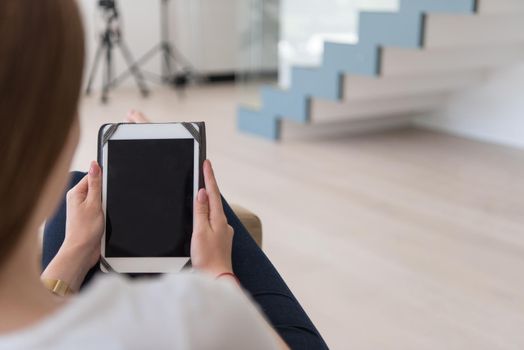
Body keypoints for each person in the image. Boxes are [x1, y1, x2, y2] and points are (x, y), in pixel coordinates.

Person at [0, 0, 328, 349]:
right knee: (166, 181)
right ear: (64, 133)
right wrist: (218, 273)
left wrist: (72, 255)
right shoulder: (197, 316)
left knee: (82, 187)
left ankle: (168, 161)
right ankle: (175, 163)